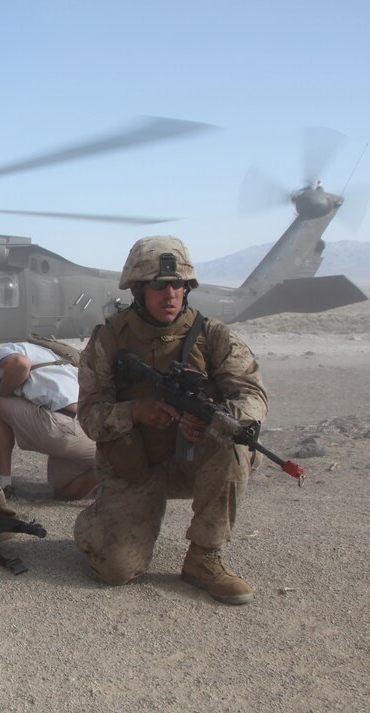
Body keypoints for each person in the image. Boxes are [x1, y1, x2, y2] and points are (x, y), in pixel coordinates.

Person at [73, 236, 268, 605]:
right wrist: (135, 411)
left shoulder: (213, 335)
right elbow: (89, 417)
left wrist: (217, 421)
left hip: (192, 460)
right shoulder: (109, 339)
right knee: (116, 569)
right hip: (135, 464)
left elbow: (252, 394)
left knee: (236, 444)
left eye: (178, 284)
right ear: (138, 289)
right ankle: (98, 520)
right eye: (159, 285)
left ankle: (204, 557)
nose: (171, 294)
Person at [0, 341, 99, 501]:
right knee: (62, 491)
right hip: (89, 434)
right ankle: (105, 471)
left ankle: (3, 483)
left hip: (63, 426)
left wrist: (4, 390)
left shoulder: (9, 351)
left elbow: (20, 364)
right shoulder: (60, 362)